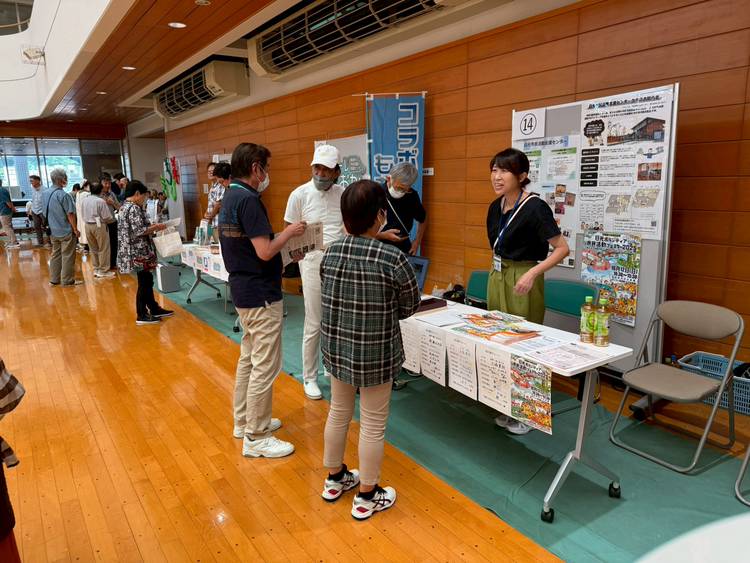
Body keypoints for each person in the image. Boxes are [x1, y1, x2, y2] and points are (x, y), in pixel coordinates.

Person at [320, 179, 420, 520]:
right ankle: (367, 496)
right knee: (373, 424)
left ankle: (335, 479)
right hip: (376, 353)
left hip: (337, 348)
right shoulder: (392, 258)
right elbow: (410, 306)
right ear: (380, 216)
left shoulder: (332, 251)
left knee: (338, 412)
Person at [218, 142, 305, 459]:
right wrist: (290, 233)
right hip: (260, 294)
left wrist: (285, 250)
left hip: (244, 289)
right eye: (266, 168)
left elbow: (256, 250)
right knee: (265, 365)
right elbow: (265, 251)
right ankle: (256, 436)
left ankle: (244, 421)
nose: (267, 174)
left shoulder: (230, 196)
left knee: (249, 358)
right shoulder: (249, 200)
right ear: (256, 168)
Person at [486, 148, 569, 435]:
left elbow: (562, 248)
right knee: (499, 339)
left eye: (504, 171)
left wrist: (533, 273)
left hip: (524, 277)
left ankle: (529, 413)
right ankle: (507, 405)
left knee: (525, 345)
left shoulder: (535, 207)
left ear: (521, 176)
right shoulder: (495, 206)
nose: (497, 177)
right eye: (494, 170)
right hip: (498, 275)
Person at [284, 144, 345, 401]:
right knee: (314, 320)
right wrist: (295, 244)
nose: (320, 174)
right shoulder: (299, 194)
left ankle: (332, 369)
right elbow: (287, 230)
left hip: (339, 259)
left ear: (336, 172)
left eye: (326, 170)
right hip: (311, 260)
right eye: (317, 168)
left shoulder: (343, 193)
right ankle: (309, 376)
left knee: (337, 320)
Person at [117, 180, 174, 324]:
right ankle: (141, 314)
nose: (144, 199)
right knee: (144, 282)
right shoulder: (134, 208)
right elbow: (139, 231)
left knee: (147, 280)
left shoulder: (124, 207)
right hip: (139, 251)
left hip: (132, 250)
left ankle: (153, 308)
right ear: (137, 194)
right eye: (143, 196)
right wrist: (157, 227)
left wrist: (152, 226)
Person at [378, 162, 427, 256]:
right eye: (399, 188)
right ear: (389, 179)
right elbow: (360, 231)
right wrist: (383, 235)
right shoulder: (375, 193)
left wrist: (417, 242)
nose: (401, 192)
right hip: (378, 247)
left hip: (403, 248)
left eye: (405, 189)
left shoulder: (411, 195)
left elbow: (423, 219)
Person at [43, 168, 81, 286]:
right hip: (65, 230)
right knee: (68, 255)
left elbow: (43, 212)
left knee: (55, 254)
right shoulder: (63, 195)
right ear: (61, 180)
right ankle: (67, 280)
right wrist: (75, 229)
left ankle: (54, 279)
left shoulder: (45, 193)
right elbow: (70, 214)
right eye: (65, 178)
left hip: (52, 230)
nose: (66, 180)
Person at [81, 182, 115, 278]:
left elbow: (82, 213)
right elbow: (107, 217)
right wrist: (112, 219)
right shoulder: (100, 201)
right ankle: (103, 270)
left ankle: (96, 268)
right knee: (103, 248)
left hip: (87, 225)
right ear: (101, 190)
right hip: (99, 225)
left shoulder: (85, 200)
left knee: (93, 248)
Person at [100, 174, 120, 270]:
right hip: (102, 223)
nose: (108, 185)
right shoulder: (98, 195)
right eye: (105, 183)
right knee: (104, 245)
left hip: (112, 221)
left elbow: (119, 207)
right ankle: (104, 265)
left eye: (109, 183)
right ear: (101, 184)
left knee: (114, 243)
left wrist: (112, 203)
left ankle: (112, 263)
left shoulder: (112, 194)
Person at [204, 162, 225, 243]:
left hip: (219, 223)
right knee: (213, 245)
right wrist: (206, 213)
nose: (210, 173)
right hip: (213, 223)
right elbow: (211, 204)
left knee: (220, 246)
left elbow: (219, 204)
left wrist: (211, 215)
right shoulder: (212, 186)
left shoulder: (220, 185)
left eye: (212, 171)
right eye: (208, 171)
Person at [28, 175, 48, 247]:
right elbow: (33, 200)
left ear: (38, 181)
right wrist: (31, 209)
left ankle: (49, 242)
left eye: (32, 181)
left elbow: (47, 201)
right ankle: (40, 243)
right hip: (34, 210)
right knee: (37, 227)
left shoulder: (45, 189)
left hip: (42, 210)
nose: (31, 183)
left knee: (46, 226)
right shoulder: (32, 189)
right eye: (30, 181)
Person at [0, 180, 18, 249]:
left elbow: (8, 202)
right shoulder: (2, 190)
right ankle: (12, 241)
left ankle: (14, 243)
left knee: (6, 227)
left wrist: (12, 208)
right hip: (5, 211)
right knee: (8, 227)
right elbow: (9, 201)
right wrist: (12, 208)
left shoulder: (1, 190)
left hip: (5, 211)